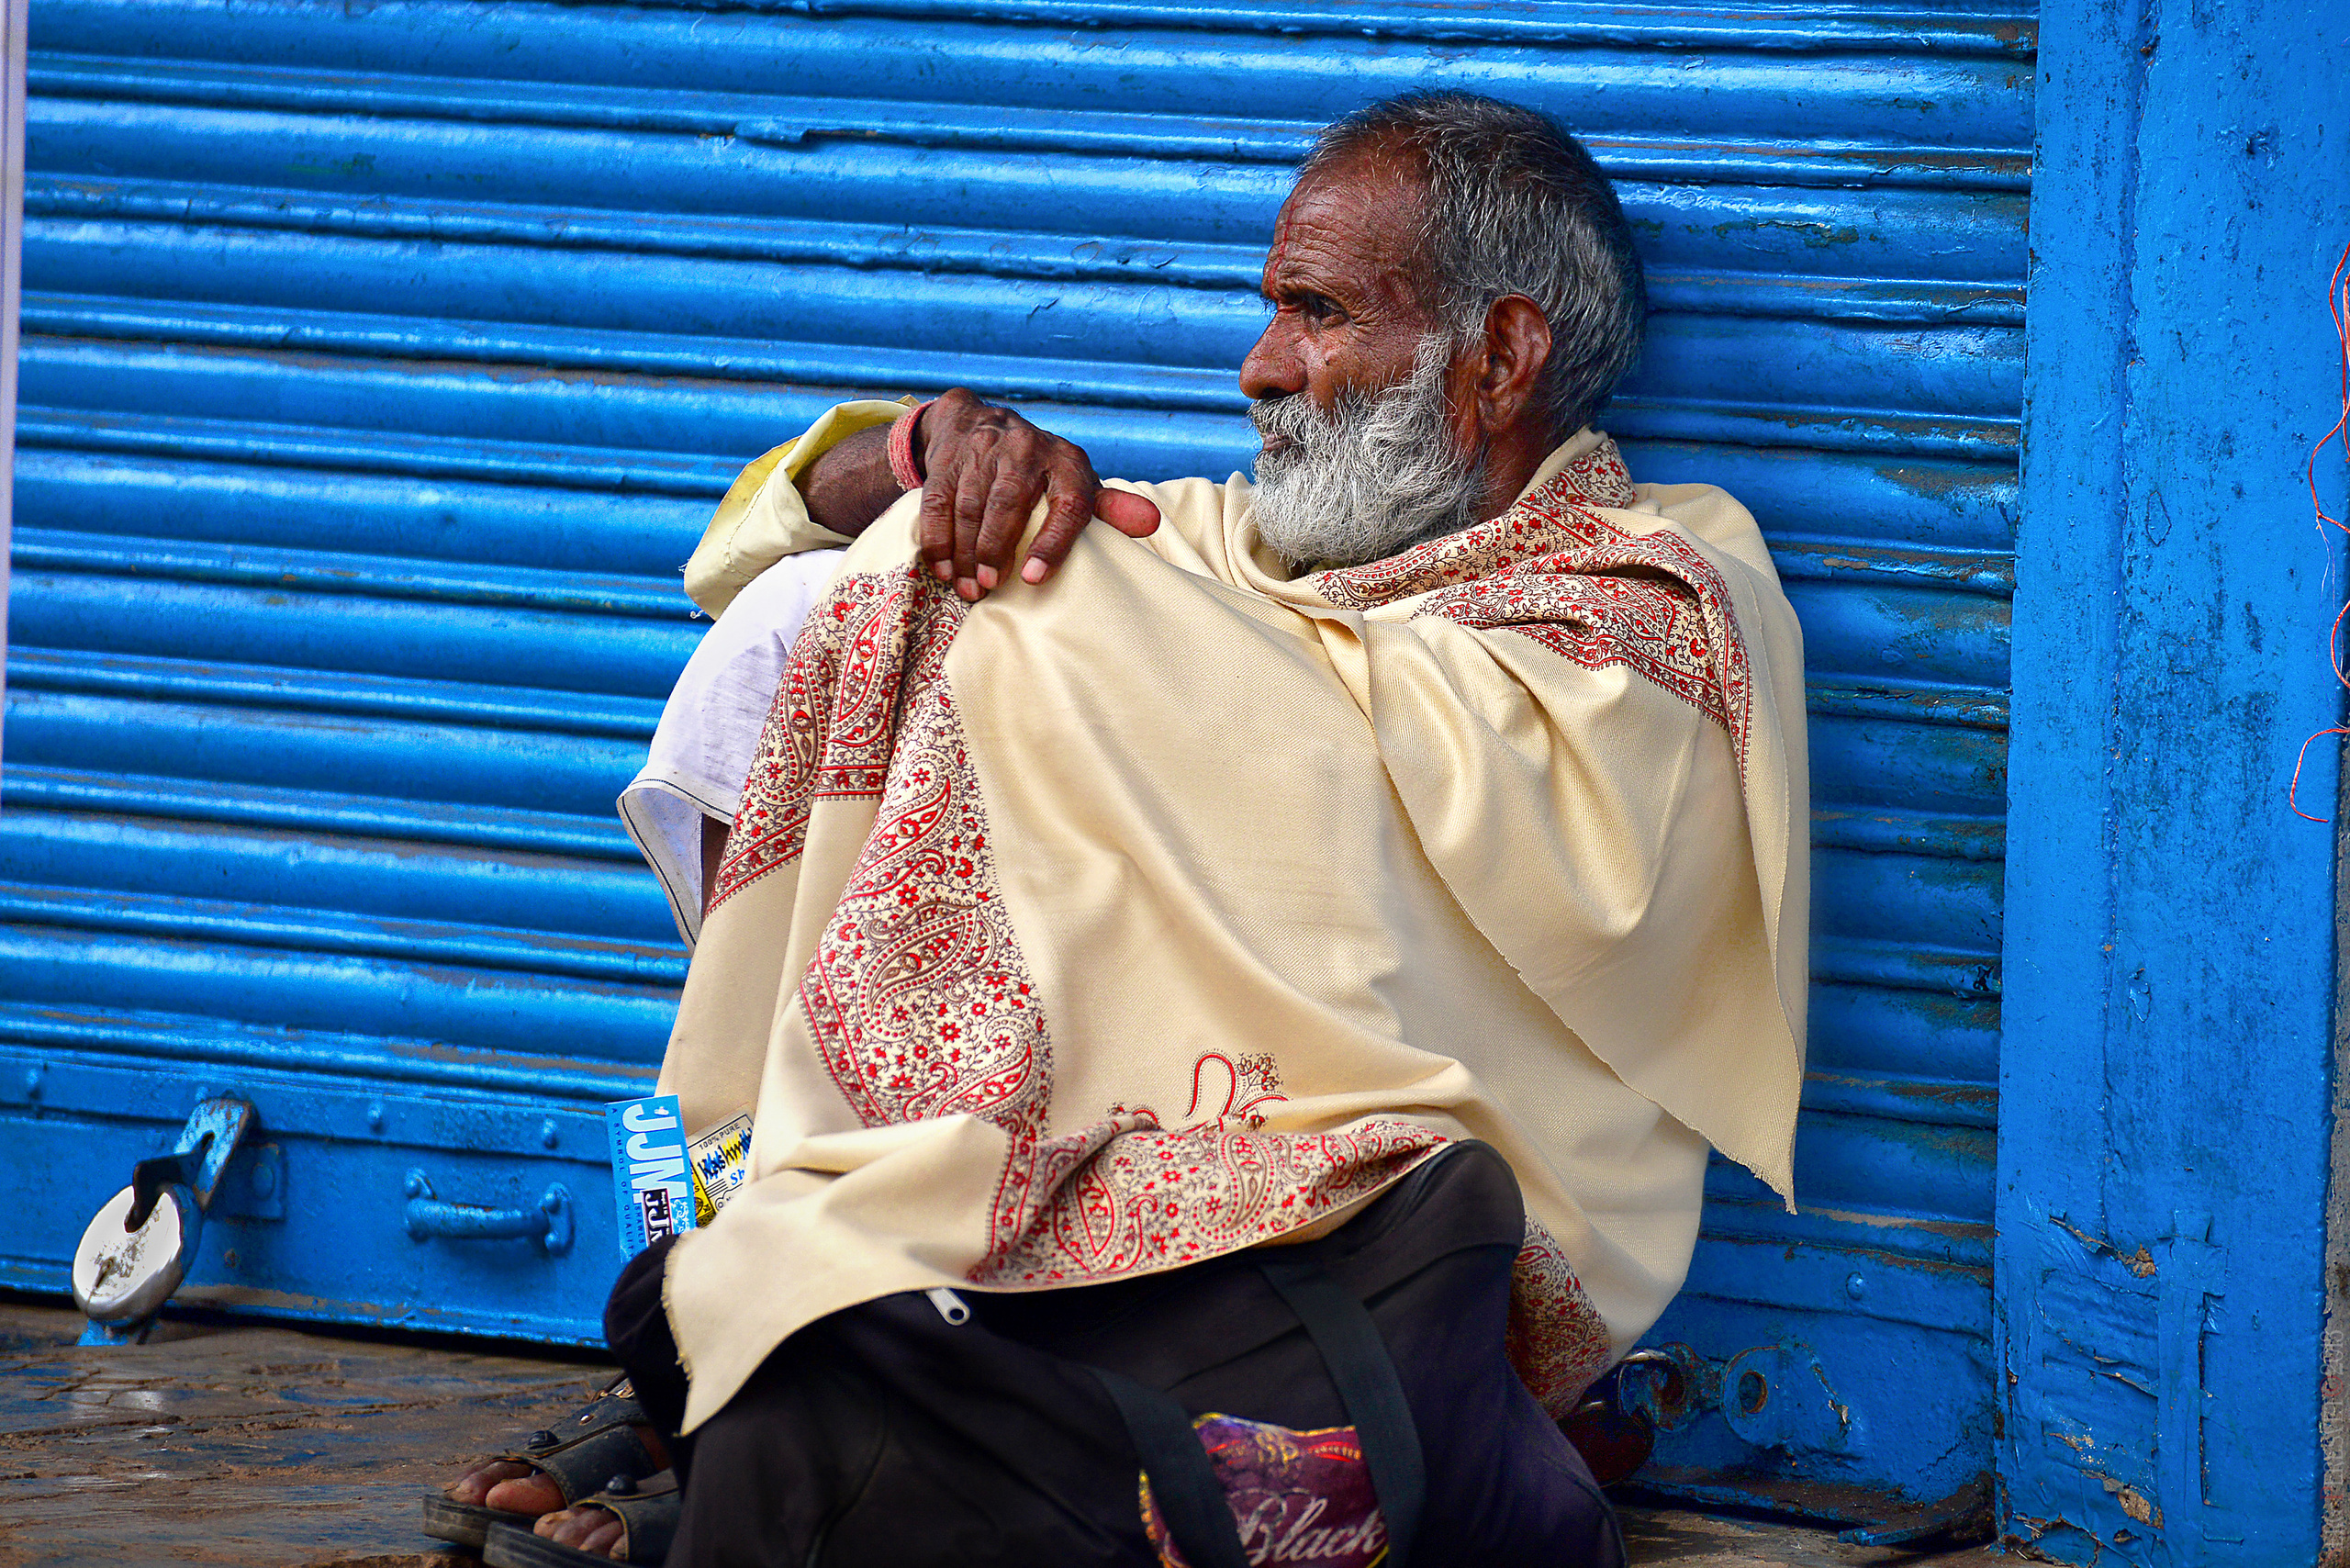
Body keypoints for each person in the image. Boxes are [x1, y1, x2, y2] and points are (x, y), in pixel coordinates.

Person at [437, 88, 1808, 1565]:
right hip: (1082, 1160)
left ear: (1501, 356)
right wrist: (930, 451)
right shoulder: (1238, 546)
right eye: (1270, 310)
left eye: (1318, 313)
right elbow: (765, 545)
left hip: (1381, 1200)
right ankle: (763, 1364)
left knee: (1012, 601)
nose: (1259, 367)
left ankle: (776, 1419)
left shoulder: (1651, 588)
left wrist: (1088, 617)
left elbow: (1402, 779)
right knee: (838, 600)